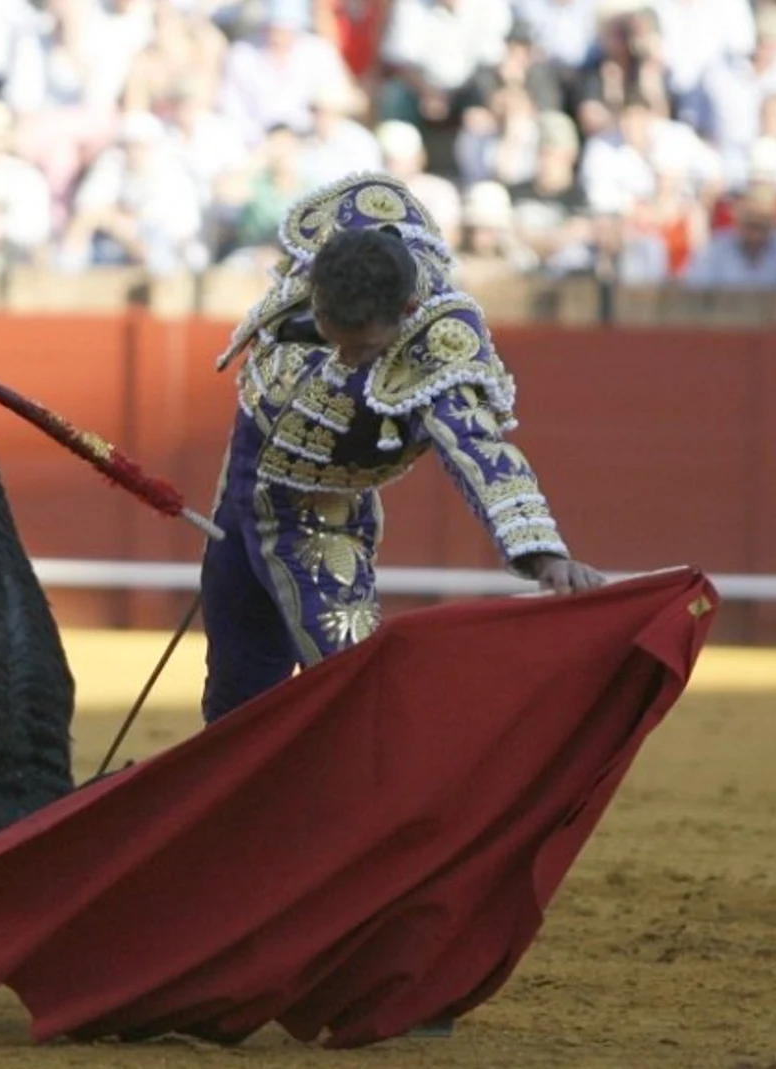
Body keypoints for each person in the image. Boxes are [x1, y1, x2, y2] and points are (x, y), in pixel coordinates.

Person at [200, 170, 606, 725]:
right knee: (235, 692)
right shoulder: (343, 237)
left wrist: (544, 553)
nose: (349, 357)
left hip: (320, 520)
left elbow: (481, 453)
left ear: (408, 312)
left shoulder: (439, 347)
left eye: (364, 348)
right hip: (240, 484)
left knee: (351, 690)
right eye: (334, 335)